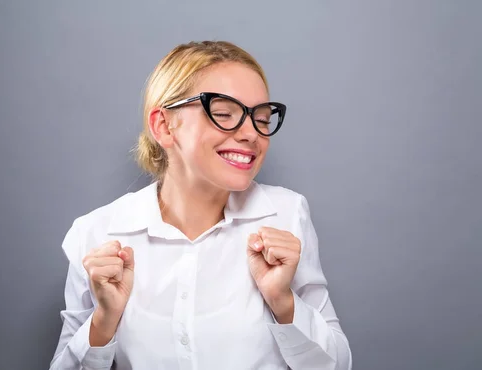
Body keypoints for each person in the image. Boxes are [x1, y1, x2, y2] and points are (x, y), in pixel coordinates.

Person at [49, 40, 352, 370]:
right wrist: (103, 322)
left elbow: (335, 365)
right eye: (224, 114)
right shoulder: (96, 234)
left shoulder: (287, 214)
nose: (252, 133)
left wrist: (283, 301)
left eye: (262, 119)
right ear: (164, 126)